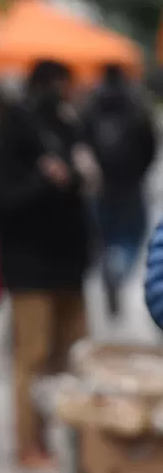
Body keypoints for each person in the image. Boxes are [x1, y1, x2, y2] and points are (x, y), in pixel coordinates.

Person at [0, 60, 93, 470]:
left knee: (71, 356)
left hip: (70, 264)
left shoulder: (67, 128)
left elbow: (79, 187)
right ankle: (29, 443)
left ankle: (67, 441)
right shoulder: (11, 137)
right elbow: (1, 202)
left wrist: (81, 177)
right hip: (30, 267)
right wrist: (43, 180)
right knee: (33, 356)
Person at [83, 63, 158, 320]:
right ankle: (120, 267)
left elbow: (81, 142)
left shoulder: (91, 105)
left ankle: (110, 265)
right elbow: (151, 145)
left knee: (103, 236)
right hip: (131, 185)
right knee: (132, 236)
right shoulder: (136, 105)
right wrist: (139, 173)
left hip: (100, 186)